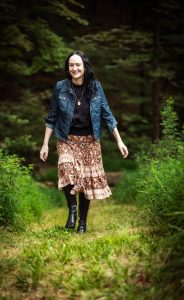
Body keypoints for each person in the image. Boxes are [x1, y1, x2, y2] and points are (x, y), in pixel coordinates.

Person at [40, 50, 128, 234]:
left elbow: (107, 115)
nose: (74, 68)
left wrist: (119, 141)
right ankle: (72, 210)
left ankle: (83, 223)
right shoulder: (60, 87)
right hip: (67, 138)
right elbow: (52, 117)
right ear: (68, 68)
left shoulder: (96, 87)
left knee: (86, 182)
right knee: (66, 166)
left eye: (78, 65)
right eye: (71, 65)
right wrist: (45, 144)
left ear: (85, 67)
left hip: (90, 141)